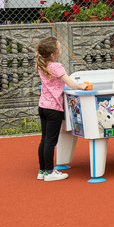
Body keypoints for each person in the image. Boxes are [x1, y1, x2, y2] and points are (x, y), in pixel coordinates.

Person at [35, 37, 89, 181]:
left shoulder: (41, 63)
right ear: (53, 54)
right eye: (59, 48)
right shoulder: (56, 66)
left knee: (44, 139)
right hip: (54, 109)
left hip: (43, 106)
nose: (61, 50)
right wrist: (81, 86)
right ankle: (49, 172)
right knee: (51, 141)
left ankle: (42, 170)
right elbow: (70, 84)